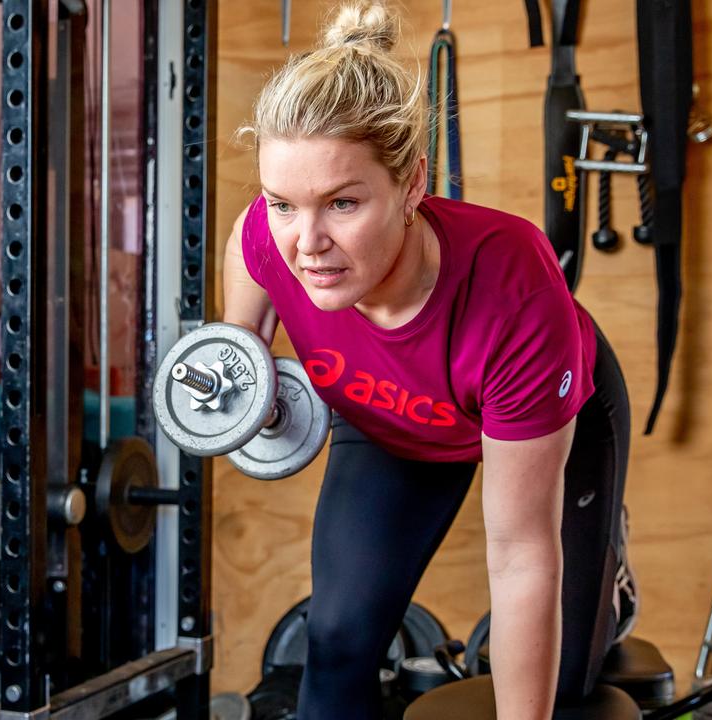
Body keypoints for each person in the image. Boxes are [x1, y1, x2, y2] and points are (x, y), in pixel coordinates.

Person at [223, 3, 633, 719]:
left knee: (563, 683)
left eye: (342, 203)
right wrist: (243, 344)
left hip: (546, 407)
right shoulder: (276, 237)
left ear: (412, 184)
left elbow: (519, 557)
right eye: (283, 203)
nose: (306, 242)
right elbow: (249, 240)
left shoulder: (512, 291)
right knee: (339, 636)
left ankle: (611, 576)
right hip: (391, 418)